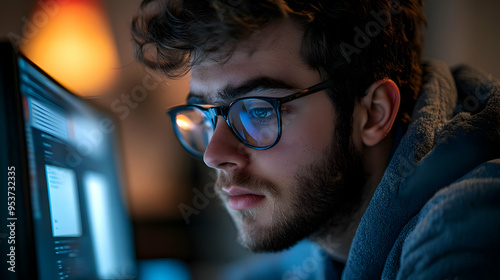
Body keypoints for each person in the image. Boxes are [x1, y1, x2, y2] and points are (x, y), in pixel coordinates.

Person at [131, 0, 500, 279]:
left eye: (259, 110)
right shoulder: (330, 226)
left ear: (373, 113)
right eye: (207, 114)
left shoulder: (468, 231)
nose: (214, 154)